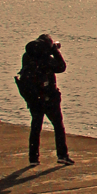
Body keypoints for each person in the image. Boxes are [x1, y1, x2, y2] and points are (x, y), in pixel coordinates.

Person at [17, 33, 74, 166]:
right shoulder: (46, 59)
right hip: (49, 98)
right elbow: (61, 67)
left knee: (36, 127)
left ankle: (33, 158)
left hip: (33, 98)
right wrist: (55, 51)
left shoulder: (27, 56)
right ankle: (62, 155)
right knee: (58, 126)